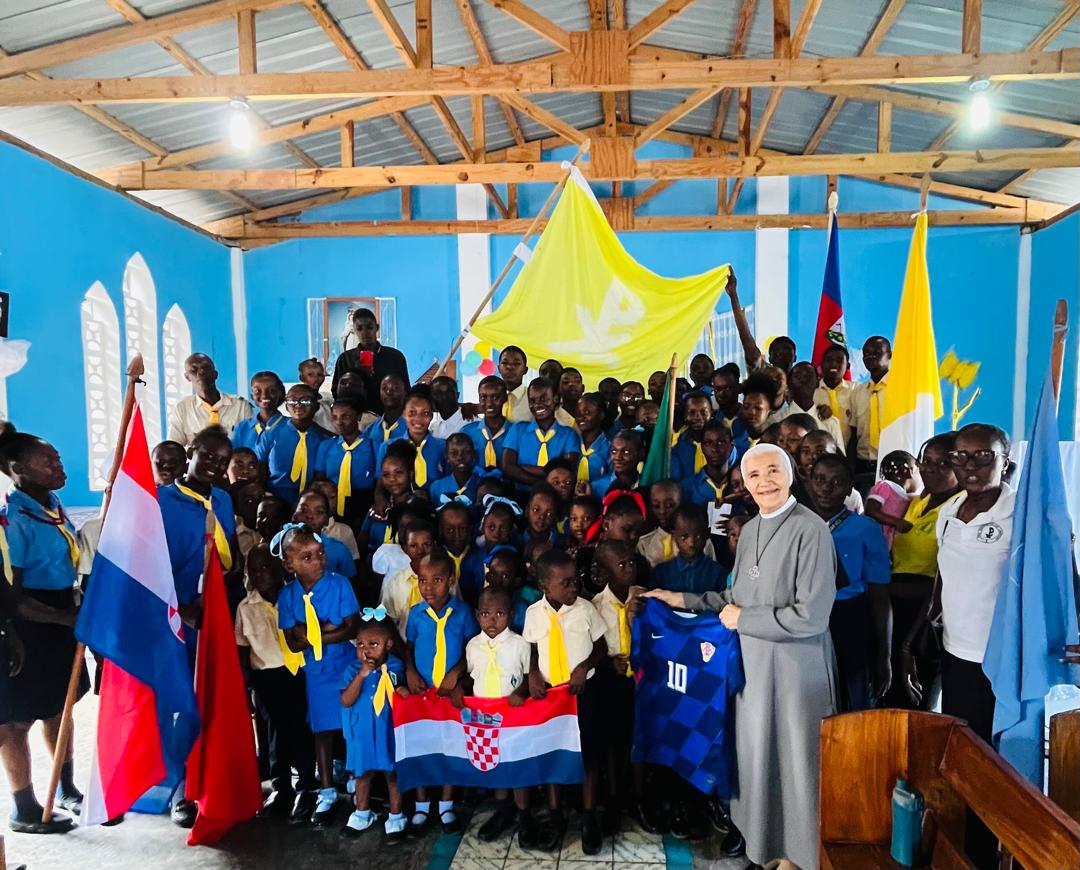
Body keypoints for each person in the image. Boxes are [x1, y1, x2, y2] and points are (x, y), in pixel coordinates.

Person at [644, 443, 837, 870]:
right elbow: (734, 598)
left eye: (773, 471)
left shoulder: (812, 530)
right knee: (757, 758)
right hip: (751, 667)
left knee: (796, 763)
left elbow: (812, 616)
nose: (764, 482)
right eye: (754, 475)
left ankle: (799, 857)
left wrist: (743, 618)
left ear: (790, 475)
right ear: (745, 483)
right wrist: (681, 599)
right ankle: (766, 850)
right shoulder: (748, 532)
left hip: (795, 671)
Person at [902, 424, 1012, 870]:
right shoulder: (949, 511)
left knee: (1001, 762)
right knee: (967, 754)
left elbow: (1060, 575)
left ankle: (1000, 849)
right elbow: (941, 584)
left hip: (1002, 659)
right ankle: (970, 851)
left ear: (1005, 462)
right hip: (957, 655)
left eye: (982, 456)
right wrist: (912, 641)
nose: (969, 465)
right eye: (960, 456)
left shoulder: (1021, 512)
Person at [0, 426, 87, 833]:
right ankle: (24, 806)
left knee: (58, 707)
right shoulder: (13, 517)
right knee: (18, 720)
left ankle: (64, 788)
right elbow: (12, 595)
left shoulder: (50, 502)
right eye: (48, 461)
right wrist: (65, 618)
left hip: (61, 610)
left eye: (57, 458)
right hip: (29, 623)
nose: (58, 466)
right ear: (18, 469)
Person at [274, 524, 360, 826]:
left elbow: (351, 628)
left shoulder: (340, 585)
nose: (319, 561)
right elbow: (293, 643)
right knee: (322, 730)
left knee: (350, 723)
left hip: (345, 665)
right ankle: (326, 789)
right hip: (316, 671)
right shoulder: (288, 596)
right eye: (307, 557)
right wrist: (328, 630)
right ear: (290, 565)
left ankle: (355, 776)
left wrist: (312, 634)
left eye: (320, 553)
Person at [523, 550, 608, 854]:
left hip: (583, 693)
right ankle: (555, 815)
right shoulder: (533, 613)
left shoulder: (585, 609)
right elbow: (533, 649)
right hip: (550, 697)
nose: (575, 587)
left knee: (589, 754)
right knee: (552, 754)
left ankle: (589, 817)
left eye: (576, 580)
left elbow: (601, 647)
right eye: (567, 583)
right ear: (544, 586)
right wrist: (533, 673)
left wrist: (584, 667)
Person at [235, 544, 317, 823]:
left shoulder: (297, 597)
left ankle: (306, 787)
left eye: (266, 567)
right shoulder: (245, 608)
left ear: (281, 567)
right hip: (266, 677)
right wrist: (246, 687)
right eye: (254, 570)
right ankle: (281, 788)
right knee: (274, 734)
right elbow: (242, 650)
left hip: (298, 672)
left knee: (302, 730)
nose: (261, 574)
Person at [808, 455, 892, 712]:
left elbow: (880, 597)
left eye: (836, 482)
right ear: (809, 482)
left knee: (852, 699)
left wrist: (884, 656)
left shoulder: (865, 529)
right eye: (820, 479)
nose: (826, 488)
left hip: (848, 618)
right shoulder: (797, 525)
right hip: (806, 618)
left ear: (848, 488)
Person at [404, 549, 478, 834]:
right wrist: (410, 672)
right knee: (422, 746)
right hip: (422, 695)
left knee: (450, 746)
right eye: (423, 580)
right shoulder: (415, 614)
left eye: (436, 580)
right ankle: (421, 806)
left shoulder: (463, 613)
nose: (428, 587)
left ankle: (446, 805)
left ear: (451, 580)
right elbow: (409, 646)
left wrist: (457, 676)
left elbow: (472, 651)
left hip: (449, 696)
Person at [885, 432, 958, 710]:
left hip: (925, 618)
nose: (931, 469)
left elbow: (941, 581)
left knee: (918, 703)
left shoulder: (958, 509)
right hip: (896, 610)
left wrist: (908, 644)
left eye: (943, 463)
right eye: (926, 461)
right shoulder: (918, 501)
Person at [453, 586, 531, 842]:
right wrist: (460, 687)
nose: (492, 620)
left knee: (517, 765)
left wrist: (520, 691)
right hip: (486, 720)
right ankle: (503, 810)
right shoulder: (473, 646)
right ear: (477, 615)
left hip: (515, 718)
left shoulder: (520, 644)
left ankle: (524, 815)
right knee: (495, 762)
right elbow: (472, 675)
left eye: (500, 613)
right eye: (486, 614)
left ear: (511, 614)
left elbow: (530, 676)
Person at [340, 611, 407, 842]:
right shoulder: (352, 669)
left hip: (388, 730)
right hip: (362, 732)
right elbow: (346, 700)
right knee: (363, 773)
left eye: (373, 644)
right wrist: (361, 675)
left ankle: (396, 815)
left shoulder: (396, 667)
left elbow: (398, 693)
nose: (365, 650)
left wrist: (403, 692)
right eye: (360, 644)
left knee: (392, 774)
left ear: (388, 644)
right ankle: (362, 813)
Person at [590, 540, 640, 833]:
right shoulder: (596, 606)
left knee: (637, 737)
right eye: (621, 564)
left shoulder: (644, 598)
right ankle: (611, 799)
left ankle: (637, 797)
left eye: (632, 561)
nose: (629, 567)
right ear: (605, 572)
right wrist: (609, 663)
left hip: (642, 680)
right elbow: (591, 649)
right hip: (610, 682)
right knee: (612, 740)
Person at [257, 383, 332, 508]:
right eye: (292, 401)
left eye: (305, 401)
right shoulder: (271, 434)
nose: (298, 405)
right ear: (286, 406)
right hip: (274, 499)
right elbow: (261, 471)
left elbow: (320, 478)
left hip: (309, 502)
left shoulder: (324, 440)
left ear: (316, 406)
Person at [502, 378, 581, 495]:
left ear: (555, 398)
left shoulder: (569, 434)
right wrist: (543, 483)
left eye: (543, 399)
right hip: (520, 494)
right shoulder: (518, 429)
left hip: (556, 497)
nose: (537, 404)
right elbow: (507, 467)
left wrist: (522, 467)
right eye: (532, 400)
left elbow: (565, 472)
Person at [331, 308, 410, 414]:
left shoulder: (395, 357)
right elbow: (337, 393)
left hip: (388, 415)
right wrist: (356, 375)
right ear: (354, 330)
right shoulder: (345, 359)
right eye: (359, 328)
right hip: (356, 417)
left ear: (377, 328)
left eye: (369, 327)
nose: (365, 333)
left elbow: (406, 390)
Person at [166, 353, 252, 446]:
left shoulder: (240, 405)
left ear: (215, 374)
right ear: (187, 377)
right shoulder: (183, 408)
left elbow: (251, 443)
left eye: (205, 367)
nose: (201, 372)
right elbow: (174, 446)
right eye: (194, 370)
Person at [316, 396, 375, 526]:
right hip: (332, 500)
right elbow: (320, 478)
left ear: (358, 416)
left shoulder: (372, 445)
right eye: (335, 417)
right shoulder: (326, 446)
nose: (339, 422)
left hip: (363, 501)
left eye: (345, 417)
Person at [374, 390, 446, 494]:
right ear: (403, 414)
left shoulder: (443, 447)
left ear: (431, 416)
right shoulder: (387, 446)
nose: (418, 418)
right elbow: (380, 485)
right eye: (412, 412)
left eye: (425, 413)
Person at [650, 505, 725, 594]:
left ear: (706, 534)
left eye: (698, 536)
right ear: (674, 535)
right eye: (684, 537)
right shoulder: (661, 573)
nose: (691, 543)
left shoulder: (719, 574)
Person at [381, 521, 435, 635]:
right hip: (403, 640)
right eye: (413, 546)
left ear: (434, 546)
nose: (420, 551)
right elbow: (388, 623)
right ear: (405, 548)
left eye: (426, 545)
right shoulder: (395, 583)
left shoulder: (445, 578)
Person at [850, 336, 892, 479]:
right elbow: (854, 432)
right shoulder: (858, 392)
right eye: (866, 354)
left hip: (892, 463)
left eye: (877, 352)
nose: (871, 357)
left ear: (890, 355)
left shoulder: (900, 391)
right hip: (863, 464)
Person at [781, 362, 846, 450]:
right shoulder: (778, 419)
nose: (804, 380)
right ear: (789, 383)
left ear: (817, 382)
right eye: (798, 376)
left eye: (809, 376)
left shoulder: (830, 423)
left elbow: (839, 457)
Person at [865, 450, 920, 548]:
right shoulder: (885, 486)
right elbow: (871, 510)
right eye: (918, 472)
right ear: (908, 471)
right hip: (873, 539)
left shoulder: (907, 496)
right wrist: (896, 522)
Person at [681, 421, 736, 509]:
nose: (715, 449)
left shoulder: (742, 485)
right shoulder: (687, 487)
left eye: (721, 442)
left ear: (732, 445)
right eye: (708, 443)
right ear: (702, 447)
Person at [463, 375, 511, 471]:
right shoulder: (467, 432)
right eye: (483, 397)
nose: (489, 403)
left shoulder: (515, 432)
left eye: (495, 397)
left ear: (505, 398)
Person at [813, 344, 854, 445]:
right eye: (829, 360)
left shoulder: (855, 391)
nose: (833, 364)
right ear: (822, 364)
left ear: (848, 366)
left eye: (839, 361)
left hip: (850, 450)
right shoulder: (811, 391)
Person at [671, 392, 714, 480]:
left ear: (711, 414)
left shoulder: (720, 443)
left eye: (704, 412)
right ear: (684, 415)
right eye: (691, 413)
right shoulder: (676, 444)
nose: (698, 417)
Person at [428, 433, 479, 504]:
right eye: (454, 453)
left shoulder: (481, 485)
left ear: (474, 455)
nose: (460, 457)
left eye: (466, 452)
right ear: (447, 457)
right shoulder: (436, 488)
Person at [591, 429, 643, 498]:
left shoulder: (646, 483)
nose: (617, 457)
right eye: (614, 451)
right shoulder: (596, 488)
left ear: (640, 453)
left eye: (626, 452)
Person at [574, 393, 610, 488]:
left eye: (587, 412)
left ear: (601, 415)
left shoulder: (609, 447)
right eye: (578, 413)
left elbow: (612, 477)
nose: (580, 417)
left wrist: (590, 487)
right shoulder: (572, 441)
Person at [367, 373, 408, 448]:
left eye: (395, 388)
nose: (388, 392)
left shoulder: (412, 428)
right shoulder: (370, 430)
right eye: (384, 388)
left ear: (405, 393)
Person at [297, 358, 336, 433]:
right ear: (302, 378)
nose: (316, 379)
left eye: (320, 375)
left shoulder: (328, 397)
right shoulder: (300, 402)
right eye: (310, 375)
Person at [497, 346, 531, 424]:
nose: (510, 367)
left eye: (516, 363)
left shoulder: (533, 398)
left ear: (525, 370)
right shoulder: (491, 398)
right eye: (505, 363)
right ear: (499, 368)